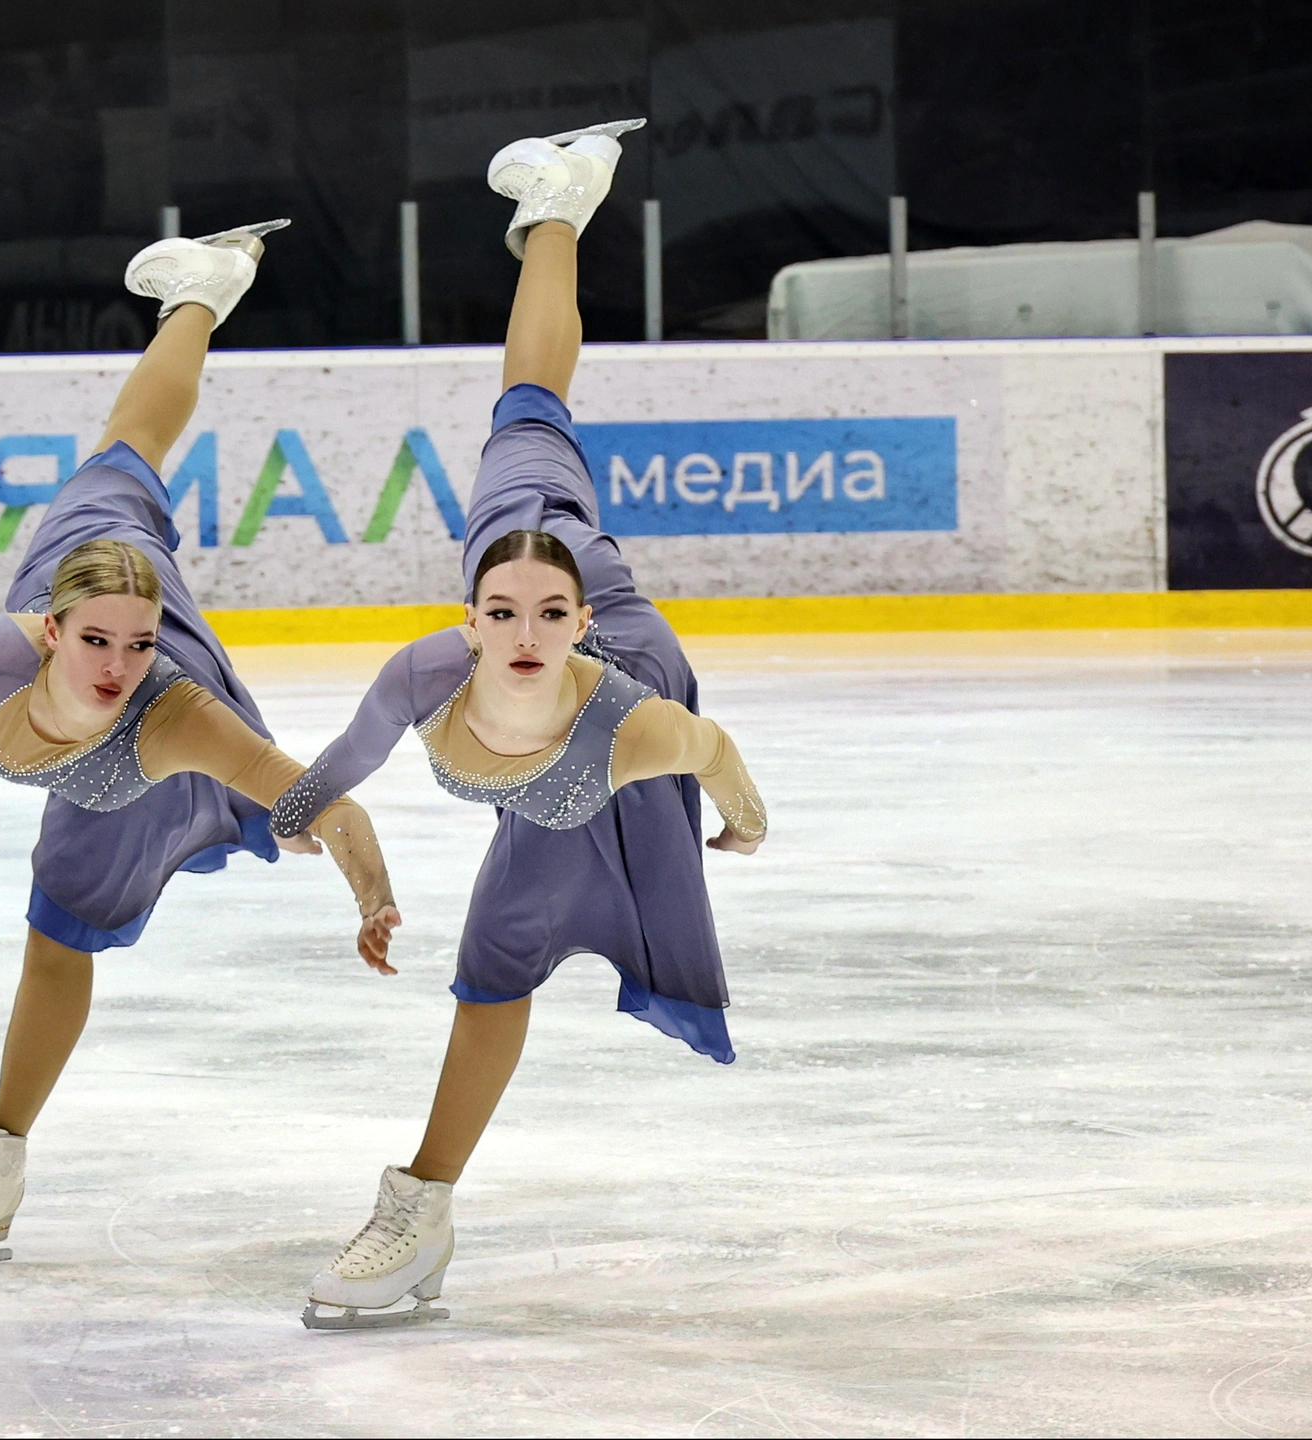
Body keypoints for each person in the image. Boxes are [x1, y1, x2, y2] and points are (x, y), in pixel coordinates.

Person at [0, 221, 400, 1271]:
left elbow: (332, 800)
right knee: (118, 456)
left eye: (132, 647)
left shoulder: (172, 706)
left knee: (58, 921)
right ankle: (203, 284)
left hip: (137, 716)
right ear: (52, 633)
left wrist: (367, 888)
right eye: (95, 644)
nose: (113, 664)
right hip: (83, 554)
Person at [266, 124, 770, 1328]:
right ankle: (560, 204)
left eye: (545, 618)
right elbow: (341, 768)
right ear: (472, 613)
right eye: (500, 615)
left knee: (495, 962)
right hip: (540, 547)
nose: (525, 633)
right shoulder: (437, 665)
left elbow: (711, 755)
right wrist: (303, 829)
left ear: (573, 621)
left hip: (603, 698)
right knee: (527, 408)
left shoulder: (626, 718)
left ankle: (417, 1206)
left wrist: (744, 821)